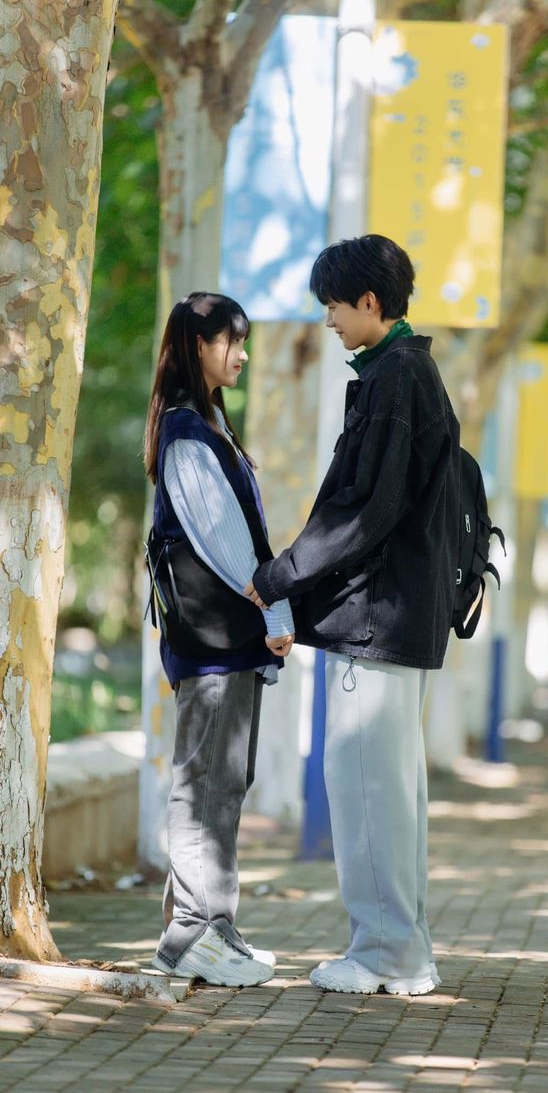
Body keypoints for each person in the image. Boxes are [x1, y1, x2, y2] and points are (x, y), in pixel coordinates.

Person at [245, 234, 461, 996]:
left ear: (369, 301)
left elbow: (363, 510)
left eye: (334, 305)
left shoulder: (395, 377)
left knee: (367, 787)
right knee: (391, 790)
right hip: (398, 619)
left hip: (377, 621)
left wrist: (278, 576)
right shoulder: (407, 370)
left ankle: (384, 955)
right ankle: (404, 948)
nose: (328, 320)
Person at [143, 292, 295, 986]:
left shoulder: (207, 424)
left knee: (226, 779)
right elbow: (225, 540)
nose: (240, 353)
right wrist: (275, 610)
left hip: (225, 639)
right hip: (210, 637)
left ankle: (215, 925)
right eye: (230, 341)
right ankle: (189, 933)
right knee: (204, 778)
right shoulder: (184, 430)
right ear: (197, 343)